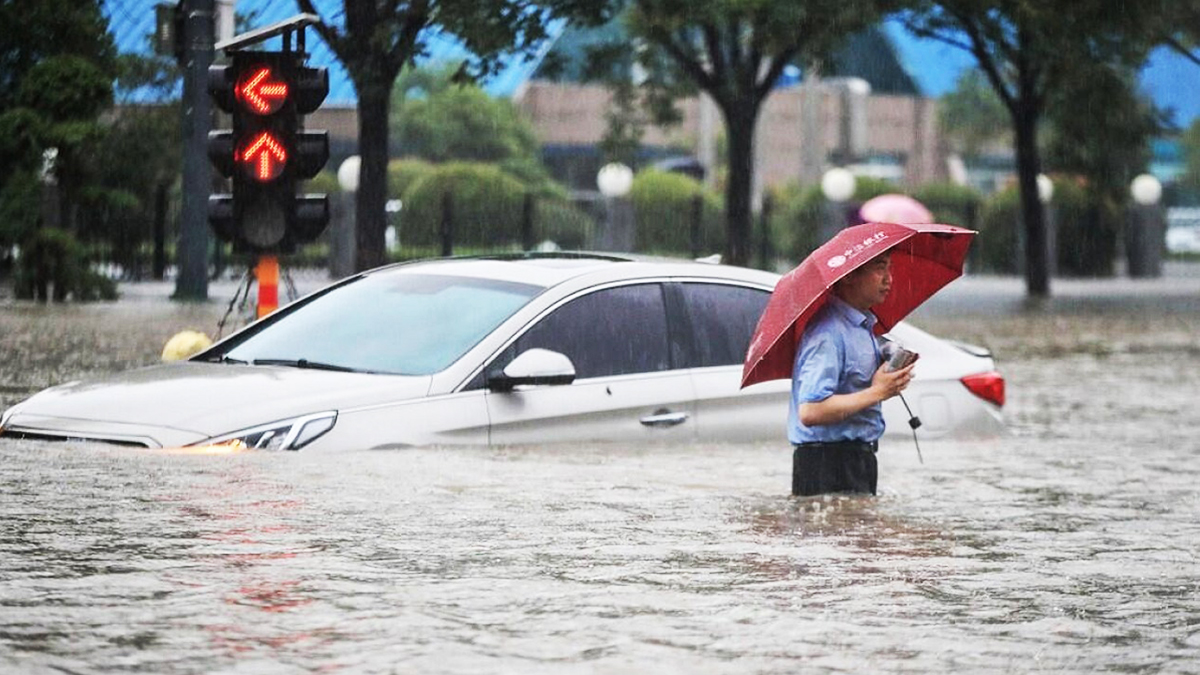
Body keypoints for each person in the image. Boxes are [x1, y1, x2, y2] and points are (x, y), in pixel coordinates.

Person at [788, 250, 916, 497]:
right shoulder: (827, 334)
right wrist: (878, 392)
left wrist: (890, 367)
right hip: (826, 463)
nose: (889, 279)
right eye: (880, 268)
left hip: (858, 457)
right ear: (848, 276)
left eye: (889, 269)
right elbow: (811, 411)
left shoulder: (863, 327)